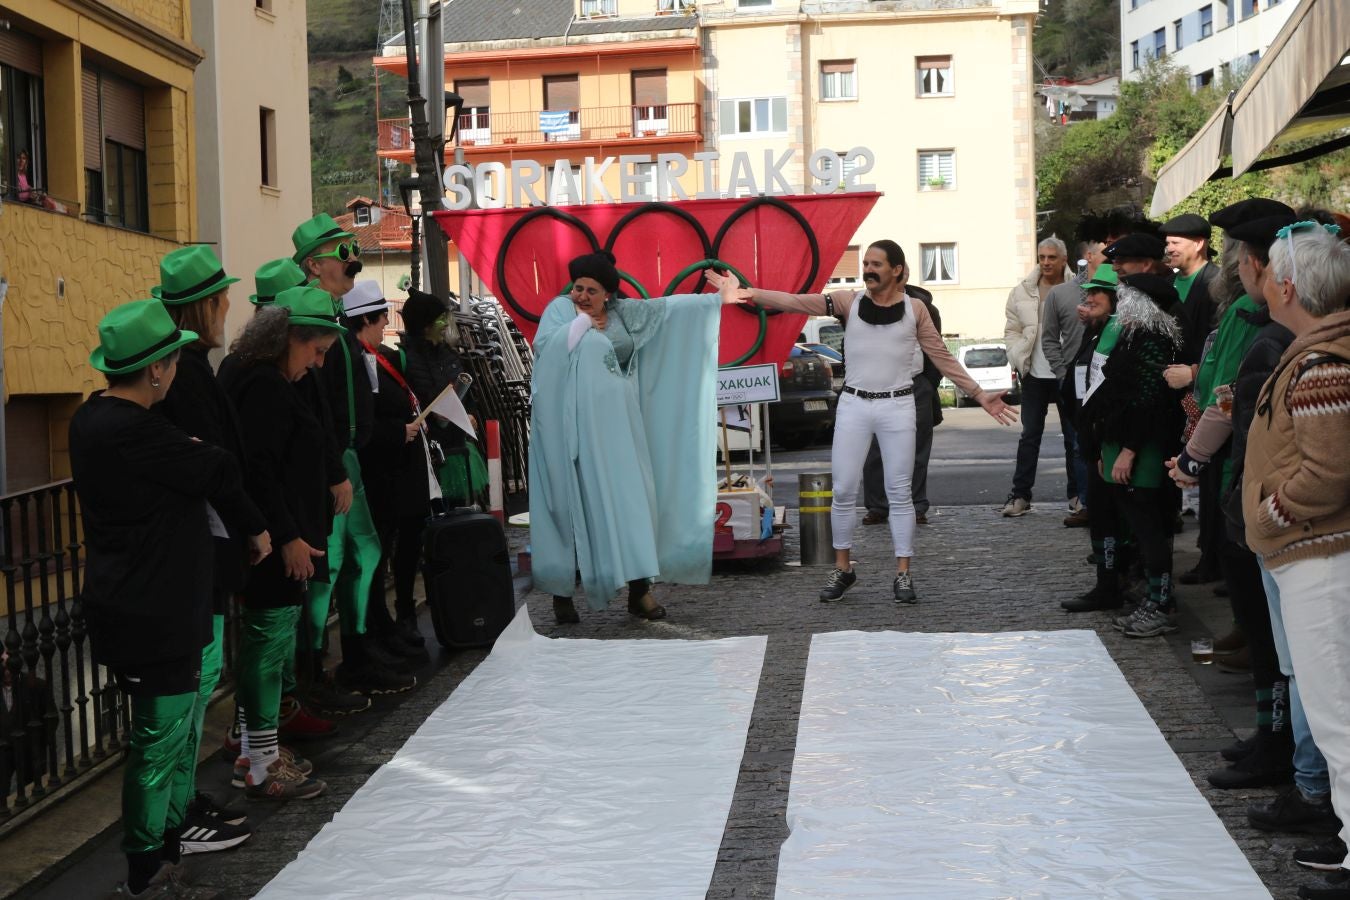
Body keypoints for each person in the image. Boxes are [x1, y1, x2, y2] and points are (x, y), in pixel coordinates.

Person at [69, 299, 269, 898]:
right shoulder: (136, 431)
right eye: (173, 363)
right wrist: (196, 448)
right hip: (154, 612)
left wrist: (190, 446)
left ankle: (163, 848)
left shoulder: (91, 418)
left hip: (139, 604)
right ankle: (147, 868)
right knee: (158, 742)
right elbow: (220, 467)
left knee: (164, 735)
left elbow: (202, 463)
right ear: (155, 370)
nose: (178, 371)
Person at [712, 241, 1017, 604]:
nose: (868, 269)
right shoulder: (848, 301)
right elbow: (795, 302)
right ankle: (843, 568)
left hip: (898, 406)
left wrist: (980, 394)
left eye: (876, 264)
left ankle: (903, 573)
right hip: (854, 405)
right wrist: (748, 293)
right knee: (842, 490)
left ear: (897, 270)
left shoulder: (915, 309)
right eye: (866, 263)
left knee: (899, 492)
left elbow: (941, 356)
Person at [1166, 208, 1300, 791]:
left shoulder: (1264, 323)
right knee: (1263, 629)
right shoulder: (1249, 313)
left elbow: (1231, 398)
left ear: (1252, 262)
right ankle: (1270, 736)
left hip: (1259, 488)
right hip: (1240, 477)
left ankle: (1283, 749)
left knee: (1274, 639)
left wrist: (1195, 457)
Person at [532, 251, 735, 624]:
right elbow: (547, 349)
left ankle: (640, 591)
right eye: (578, 288)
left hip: (620, 432)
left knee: (633, 503)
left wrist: (717, 299)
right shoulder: (560, 311)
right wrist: (581, 325)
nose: (582, 296)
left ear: (607, 294)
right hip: (568, 433)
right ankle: (562, 594)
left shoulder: (624, 314)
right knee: (567, 507)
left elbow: (670, 310)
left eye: (591, 290)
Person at [1241, 222, 1350, 900]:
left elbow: (1327, 474)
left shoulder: (1321, 362)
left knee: (1337, 713)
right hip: (1315, 553)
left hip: (1320, 556)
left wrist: (1268, 514)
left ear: (1287, 287)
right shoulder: (1317, 352)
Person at [151, 245, 264, 852]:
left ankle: (181, 804)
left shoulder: (189, 369)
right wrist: (253, 526)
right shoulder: (189, 373)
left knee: (198, 682)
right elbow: (216, 465)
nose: (227, 310)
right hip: (205, 548)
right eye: (221, 301)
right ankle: (175, 818)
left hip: (203, 547)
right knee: (195, 685)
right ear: (203, 308)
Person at [219, 287, 345, 803]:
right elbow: (261, 470)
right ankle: (261, 762)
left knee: (265, 646)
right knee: (268, 647)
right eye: (316, 351)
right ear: (290, 338)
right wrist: (289, 536)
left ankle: (257, 751)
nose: (317, 364)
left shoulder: (256, 374)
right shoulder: (264, 385)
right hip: (275, 543)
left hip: (275, 536)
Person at [293, 214, 415, 697]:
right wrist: (329, 467)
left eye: (353, 250)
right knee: (329, 565)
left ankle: (358, 651)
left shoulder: (335, 323)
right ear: (313, 265)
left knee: (363, 553)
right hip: (330, 465)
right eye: (343, 253)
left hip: (348, 459)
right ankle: (313, 668)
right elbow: (310, 408)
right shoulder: (306, 324)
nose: (353, 261)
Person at [1076, 274, 1185, 637]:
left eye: (1126, 299)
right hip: (1119, 443)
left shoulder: (1155, 340)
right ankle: (1152, 601)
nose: (1120, 306)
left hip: (1142, 450)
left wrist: (1128, 451)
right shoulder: (1133, 335)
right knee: (1137, 526)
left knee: (1149, 528)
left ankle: (1160, 604)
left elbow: (1147, 403)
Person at [341, 281, 431, 665]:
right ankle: (373, 631)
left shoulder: (378, 356)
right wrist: (398, 431)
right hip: (378, 475)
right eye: (381, 319)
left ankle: (385, 624)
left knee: (390, 548)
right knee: (372, 557)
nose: (385, 327)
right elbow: (360, 422)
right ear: (366, 320)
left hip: (396, 473)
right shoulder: (355, 358)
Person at [1059, 265, 1130, 612]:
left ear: (1115, 298)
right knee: (1101, 518)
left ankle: (1114, 586)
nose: (1089, 299)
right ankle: (1106, 585)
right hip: (1092, 437)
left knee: (1114, 519)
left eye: (1097, 292)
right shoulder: (1097, 330)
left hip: (1108, 440)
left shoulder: (1119, 330)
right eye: (1088, 292)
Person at [1000, 237, 1080, 518]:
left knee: (1073, 437)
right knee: (1029, 436)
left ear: (1063, 260)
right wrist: (1016, 354)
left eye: (1051, 257)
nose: (1045, 262)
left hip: (1067, 372)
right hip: (1033, 372)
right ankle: (1020, 495)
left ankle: (1077, 495)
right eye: (1041, 257)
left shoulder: (1079, 287)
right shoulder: (1022, 291)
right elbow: (1012, 329)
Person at [862, 283, 942, 526]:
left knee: (917, 450)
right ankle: (878, 506)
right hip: (876, 385)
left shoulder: (923, 307)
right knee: (875, 450)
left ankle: (916, 506)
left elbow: (937, 349)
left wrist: (928, 384)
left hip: (915, 384)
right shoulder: (861, 304)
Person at [398, 288, 483, 508]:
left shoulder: (449, 354)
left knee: (463, 511)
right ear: (425, 325)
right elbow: (418, 404)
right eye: (440, 319)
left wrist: (470, 414)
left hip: (459, 447)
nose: (446, 324)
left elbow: (467, 395)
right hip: (433, 454)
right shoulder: (408, 360)